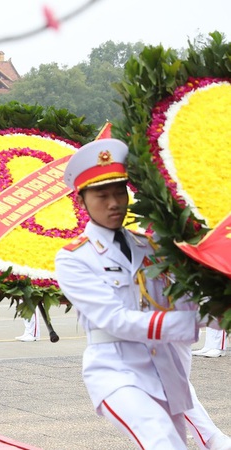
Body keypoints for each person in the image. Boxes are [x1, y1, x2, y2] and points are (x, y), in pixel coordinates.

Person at [55, 139, 230, 449]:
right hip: (118, 374)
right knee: (162, 441)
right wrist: (193, 322)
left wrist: (221, 315)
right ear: (81, 201)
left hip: (167, 371)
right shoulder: (74, 258)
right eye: (102, 195)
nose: (114, 203)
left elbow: (181, 301)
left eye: (120, 192)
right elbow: (116, 320)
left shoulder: (148, 246)